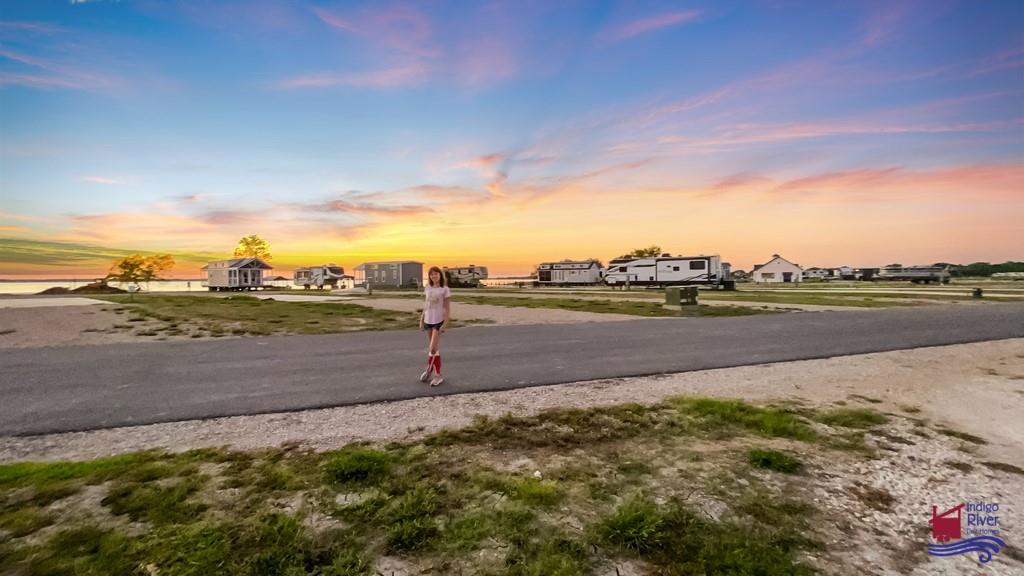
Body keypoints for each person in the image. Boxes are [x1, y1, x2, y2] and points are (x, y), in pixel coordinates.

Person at [419, 266, 450, 386]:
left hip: (438, 321)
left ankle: (437, 375)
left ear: (440, 275)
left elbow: (447, 309)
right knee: (434, 349)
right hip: (428, 320)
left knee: (432, 348)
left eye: (436, 274)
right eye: (431, 274)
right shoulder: (428, 288)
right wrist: (421, 320)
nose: (434, 276)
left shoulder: (445, 289)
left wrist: (445, 324)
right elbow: (425, 305)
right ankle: (431, 370)